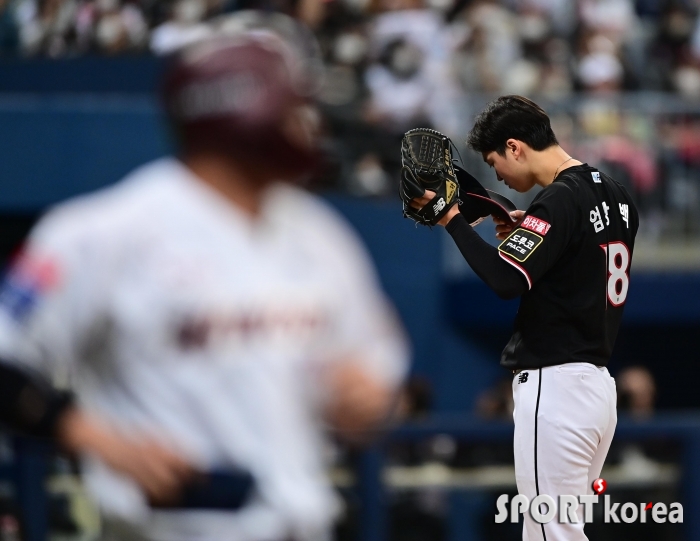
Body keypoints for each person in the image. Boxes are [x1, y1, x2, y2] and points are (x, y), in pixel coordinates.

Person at [0, 30, 409, 541]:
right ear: (243, 110)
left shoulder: (320, 234)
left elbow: (379, 374)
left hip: (302, 523)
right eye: (292, 110)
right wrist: (96, 438)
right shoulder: (103, 231)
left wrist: (369, 401)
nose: (308, 126)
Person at [412, 95, 639, 541]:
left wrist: (452, 219)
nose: (497, 174)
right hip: (595, 390)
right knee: (558, 532)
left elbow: (503, 280)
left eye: (496, 161)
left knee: (552, 533)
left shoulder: (558, 200)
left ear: (516, 147)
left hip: (556, 389)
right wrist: (533, 234)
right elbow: (574, 263)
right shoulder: (618, 194)